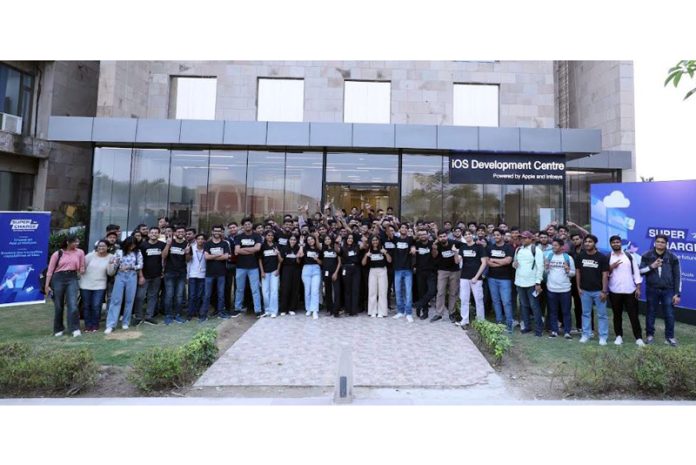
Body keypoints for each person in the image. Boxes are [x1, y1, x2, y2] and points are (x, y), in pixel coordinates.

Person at [639, 234, 682, 346]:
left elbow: (678, 276)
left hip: (668, 290)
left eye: (662, 242)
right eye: (658, 241)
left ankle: (670, 337)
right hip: (652, 289)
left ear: (666, 244)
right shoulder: (646, 255)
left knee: (669, 314)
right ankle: (649, 336)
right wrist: (652, 266)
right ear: (655, 242)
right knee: (650, 313)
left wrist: (677, 294)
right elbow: (640, 271)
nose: (660, 244)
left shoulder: (673, 257)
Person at [45, 235, 86, 337]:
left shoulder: (80, 252)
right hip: (58, 278)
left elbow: (82, 266)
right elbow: (50, 271)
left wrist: (81, 270)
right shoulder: (57, 254)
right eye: (75, 242)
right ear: (68, 242)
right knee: (59, 305)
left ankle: (74, 328)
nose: (77, 244)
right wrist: (47, 285)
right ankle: (58, 329)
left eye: (78, 242)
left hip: (72, 278)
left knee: (73, 304)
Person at [607, 235, 644, 346]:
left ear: (620, 243)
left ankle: (638, 338)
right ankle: (619, 336)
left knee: (633, 316)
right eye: (613, 242)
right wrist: (611, 267)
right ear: (611, 244)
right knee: (617, 315)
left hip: (630, 290)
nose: (616, 244)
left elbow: (636, 272)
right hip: (614, 291)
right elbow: (604, 273)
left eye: (617, 242)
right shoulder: (608, 257)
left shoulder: (629, 256)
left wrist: (638, 287)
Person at [575, 234, 610, 345]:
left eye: (590, 242)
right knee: (585, 313)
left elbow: (605, 275)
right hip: (584, 291)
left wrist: (604, 291)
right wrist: (578, 287)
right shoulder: (581, 256)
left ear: (594, 243)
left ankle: (603, 336)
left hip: (599, 291)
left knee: (602, 315)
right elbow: (578, 272)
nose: (587, 243)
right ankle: (586, 334)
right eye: (586, 241)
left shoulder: (602, 257)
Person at [105, 236, 143, 334]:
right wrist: (114, 264)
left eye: (134, 244)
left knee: (129, 300)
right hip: (120, 275)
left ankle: (126, 322)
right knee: (116, 299)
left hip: (132, 275)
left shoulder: (137, 252)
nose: (132, 246)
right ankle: (111, 324)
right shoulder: (119, 252)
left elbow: (140, 265)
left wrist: (130, 266)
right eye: (130, 244)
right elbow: (114, 264)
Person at [513, 231, 545, 337]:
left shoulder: (536, 250)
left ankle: (539, 329)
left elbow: (540, 267)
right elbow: (514, 263)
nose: (522, 239)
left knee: (534, 306)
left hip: (532, 283)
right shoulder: (518, 249)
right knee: (523, 305)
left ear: (531, 239)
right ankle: (527, 326)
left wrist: (538, 282)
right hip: (519, 282)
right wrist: (514, 264)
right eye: (521, 238)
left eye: (525, 238)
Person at [79, 240, 114, 332]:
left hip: (100, 285)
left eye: (103, 246)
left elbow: (110, 273)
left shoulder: (111, 257)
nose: (101, 248)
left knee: (96, 305)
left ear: (108, 247)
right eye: (99, 246)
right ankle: (87, 325)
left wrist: (111, 264)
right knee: (86, 306)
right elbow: (82, 268)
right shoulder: (90, 256)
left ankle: (95, 325)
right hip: (85, 284)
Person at [544, 238, 576, 339]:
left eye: (556, 245)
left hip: (565, 289)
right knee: (552, 311)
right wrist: (546, 267)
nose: (553, 247)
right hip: (551, 289)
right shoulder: (549, 256)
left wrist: (567, 270)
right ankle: (554, 331)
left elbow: (573, 273)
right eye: (553, 245)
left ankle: (567, 331)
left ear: (562, 247)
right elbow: (546, 272)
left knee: (566, 311)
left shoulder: (568, 258)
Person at [133, 227, 164, 326]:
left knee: (153, 296)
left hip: (157, 275)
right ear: (149, 234)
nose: (154, 234)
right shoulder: (143, 245)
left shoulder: (162, 245)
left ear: (159, 234)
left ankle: (149, 316)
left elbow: (165, 258)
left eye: (156, 232)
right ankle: (138, 316)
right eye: (152, 232)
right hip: (144, 275)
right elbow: (139, 261)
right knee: (140, 296)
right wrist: (141, 275)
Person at [201, 225, 232, 321]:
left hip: (221, 273)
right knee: (207, 295)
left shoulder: (224, 244)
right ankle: (203, 314)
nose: (217, 232)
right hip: (209, 273)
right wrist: (219, 255)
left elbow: (226, 256)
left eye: (219, 231)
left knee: (221, 294)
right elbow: (206, 257)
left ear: (221, 232)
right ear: (212, 232)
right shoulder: (207, 244)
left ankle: (221, 312)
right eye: (215, 231)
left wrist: (212, 256)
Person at [486, 228, 515, 333]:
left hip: (505, 279)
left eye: (498, 235)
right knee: (496, 301)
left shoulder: (509, 248)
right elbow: (488, 262)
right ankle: (499, 322)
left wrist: (494, 260)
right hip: (492, 278)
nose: (496, 237)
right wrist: (499, 262)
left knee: (506, 302)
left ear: (502, 236)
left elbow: (508, 261)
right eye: (494, 235)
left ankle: (509, 324)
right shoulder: (490, 248)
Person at [458, 230, 488, 329]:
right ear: (464, 237)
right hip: (464, 277)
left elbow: (484, 263)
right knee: (464, 299)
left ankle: (480, 321)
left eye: (469, 234)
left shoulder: (479, 247)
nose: (468, 236)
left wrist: (476, 276)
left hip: (476, 278)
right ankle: (464, 320)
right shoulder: (462, 247)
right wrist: (455, 252)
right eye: (466, 234)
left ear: (473, 235)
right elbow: (457, 260)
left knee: (478, 299)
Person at [233, 218, 263, 317]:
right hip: (240, 267)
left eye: (249, 224)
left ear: (251, 225)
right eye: (245, 224)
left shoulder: (257, 236)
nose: (247, 226)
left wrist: (243, 249)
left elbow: (258, 248)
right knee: (239, 289)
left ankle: (258, 310)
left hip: (253, 267)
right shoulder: (238, 237)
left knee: (255, 289)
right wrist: (252, 250)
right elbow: (237, 251)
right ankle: (237, 308)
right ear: (243, 226)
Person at [431, 231, 461, 323]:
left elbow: (466, 245)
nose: (443, 238)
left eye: (444, 236)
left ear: (447, 236)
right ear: (438, 238)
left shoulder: (454, 243)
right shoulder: (437, 244)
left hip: (455, 271)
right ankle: (439, 313)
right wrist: (434, 248)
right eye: (440, 237)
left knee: (453, 293)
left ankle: (451, 313)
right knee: (440, 292)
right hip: (442, 271)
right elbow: (434, 256)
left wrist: (457, 252)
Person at [162, 225, 190, 324]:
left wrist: (187, 253)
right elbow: (163, 256)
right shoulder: (170, 242)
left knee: (179, 296)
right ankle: (168, 315)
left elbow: (187, 260)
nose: (180, 233)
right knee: (169, 295)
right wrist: (168, 245)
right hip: (169, 272)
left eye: (182, 232)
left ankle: (177, 314)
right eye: (178, 232)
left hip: (181, 273)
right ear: (175, 233)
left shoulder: (187, 244)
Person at [362, 235, 392, 318]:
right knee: (372, 291)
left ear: (379, 241)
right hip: (372, 271)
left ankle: (382, 312)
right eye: (373, 240)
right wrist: (366, 255)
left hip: (382, 270)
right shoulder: (369, 250)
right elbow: (363, 263)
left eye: (376, 240)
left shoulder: (383, 249)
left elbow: (389, 260)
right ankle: (372, 311)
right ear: (371, 241)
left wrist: (385, 253)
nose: (375, 242)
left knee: (382, 291)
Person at [392, 224, 416, 322]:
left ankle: (409, 313)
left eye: (406, 228)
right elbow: (388, 233)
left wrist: (413, 247)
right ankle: (401, 311)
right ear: (399, 229)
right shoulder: (396, 239)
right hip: (397, 269)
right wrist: (389, 223)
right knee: (397, 291)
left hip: (408, 269)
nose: (404, 229)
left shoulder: (411, 239)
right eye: (402, 227)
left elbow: (415, 241)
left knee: (408, 292)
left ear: (407, 230)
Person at [414, 229, 437, 320]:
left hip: (431, 271)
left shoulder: (432, 244)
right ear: (419, 236)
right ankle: (425, 312)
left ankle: (419, 304)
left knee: (432, 291)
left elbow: (435, 256)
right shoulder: (416, 244)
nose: (423, 236)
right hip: (420, 271)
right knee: (422, 292)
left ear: (428, 235)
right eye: (421, 234)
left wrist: (434, 248)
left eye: (424, 234)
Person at [259, 230, 282, 318]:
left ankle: (274, 311)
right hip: (265, 272)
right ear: (265, 236)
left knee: (274, 291)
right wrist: (262, 272)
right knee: (265, 292)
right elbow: (260, 259)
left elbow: (280, 260)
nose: (270, 237)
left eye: (272, 235)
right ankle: (267, 310)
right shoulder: (262, 246)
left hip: (274, 272)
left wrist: (278, 270)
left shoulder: (277, 246)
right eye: (268, 235)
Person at [299, 234, 322, 319]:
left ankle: (315, 310)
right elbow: (300, 255)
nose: (310, 241)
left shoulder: (318, 249)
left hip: (316, 269)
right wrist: (301, 245)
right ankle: (308, 309)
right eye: (308, 240)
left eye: (312, 239)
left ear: (314, 240)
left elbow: (321, 263)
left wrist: (317, 259)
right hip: (306, 269)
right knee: (307, 290)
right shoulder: (305, 248)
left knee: (315, 290)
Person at [279, 235, 301, 316]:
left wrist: (298, 256)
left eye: (294, 240)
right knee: (285, 288)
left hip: (296, 269)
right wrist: (278, 254)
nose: (293, 241)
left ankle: (292, 308)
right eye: (291, 239)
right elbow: (281, 260)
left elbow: (299, 262)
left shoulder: (298, 248)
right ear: (289, 240)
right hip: (286, 269)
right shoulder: (284, 248)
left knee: (294, 288)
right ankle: (283, 309)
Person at [340, 233, 362, 316]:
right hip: (346, 269)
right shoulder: (343, 248)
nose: (350, 239)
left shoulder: (357, 247)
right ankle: (348, 310)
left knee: (355, 289)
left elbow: (364, 244)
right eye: (348, 238)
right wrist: (337, 242)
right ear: (346, 239)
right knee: (347, 290)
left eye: (352, 238)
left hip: (356, 269)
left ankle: (354, 311)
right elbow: (338, 251)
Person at [320, 235, 342, 317]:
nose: (327, 240)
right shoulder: (323, 250)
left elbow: (339, 262)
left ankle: (336, 310)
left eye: (329, 239)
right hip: (326, 273)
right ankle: (329, 309)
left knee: (337, 291)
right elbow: (322, 261)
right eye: (326, 239)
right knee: (328, 292)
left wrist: (336, 273)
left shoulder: (335, 249)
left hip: (335, 273)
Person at [187, 233, 207, 320]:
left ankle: (198, 311)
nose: (200, 240)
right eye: (198, 239)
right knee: (192, 295)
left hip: (203, 275)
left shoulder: (207, 249)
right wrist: (187, 253)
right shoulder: (192, 248)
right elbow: (188, 261)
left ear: (204, 240)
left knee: (199, 295)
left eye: (202, 239)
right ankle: (190, 313)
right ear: (196, 240)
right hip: (192, 274)